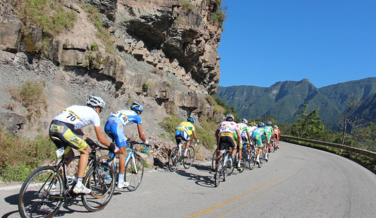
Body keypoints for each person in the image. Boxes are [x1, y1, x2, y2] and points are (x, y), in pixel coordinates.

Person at [49, 96, 118, 194]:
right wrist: (112, 147)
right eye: (100, 110)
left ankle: (52, 184)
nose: (99, 111)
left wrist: (89, 140)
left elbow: (76, 129)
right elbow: (101, 139)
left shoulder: (76, 108)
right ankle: (79, 184)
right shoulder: (94, 114)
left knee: (69, 156)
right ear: (97, 108)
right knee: (85, 150)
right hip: (65, 129)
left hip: (53, 127)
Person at [105, 102, 150, 189]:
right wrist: (146, 142)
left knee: (115, 147)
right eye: (140, 112)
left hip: (108, 123)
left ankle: (107, 163)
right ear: (138, 111)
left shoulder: (124, 111)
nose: (139, 114)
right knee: (122, 153)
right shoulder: (137, 116)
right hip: (117, 125)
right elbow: (141, 135)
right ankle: (121, 182)